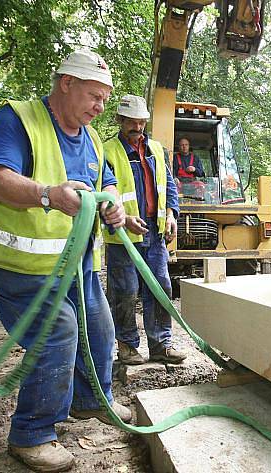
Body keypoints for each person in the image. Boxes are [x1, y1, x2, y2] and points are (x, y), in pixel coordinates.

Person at [0, 50, 131, 472]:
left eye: (104, 99)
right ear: (65, 83)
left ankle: (89, 401)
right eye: (94, 97)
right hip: (18, 267)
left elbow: (108, 183)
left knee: (99, 327)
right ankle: (32, 435)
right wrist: (48, 195)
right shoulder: (18, 120)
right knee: (58, 331)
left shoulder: (93, 138)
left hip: (74, 265)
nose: (100, 108)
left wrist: (113, 205)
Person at [103, 94, 186, 366]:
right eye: (131, 122)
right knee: (125, 291)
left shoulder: (156, 150)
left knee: (161, 287)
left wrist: (172, 214)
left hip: (155, 231)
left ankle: (161, 343)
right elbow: (103, 194)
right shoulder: (107, 152)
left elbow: (169, 186)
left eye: (141, 122)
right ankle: (127, 346)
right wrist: (123, 219)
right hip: (123, 236)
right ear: (119, 120)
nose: (137, 127)